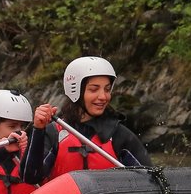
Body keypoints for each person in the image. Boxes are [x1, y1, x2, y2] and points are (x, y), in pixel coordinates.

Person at [23, 56, 152, 182]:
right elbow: (32, 176)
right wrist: (38, 130)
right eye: (94, 89)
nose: (103, 96)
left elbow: (151, 179)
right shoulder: (54, 133)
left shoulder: (119, 135)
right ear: (75, 91)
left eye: (107, 89)